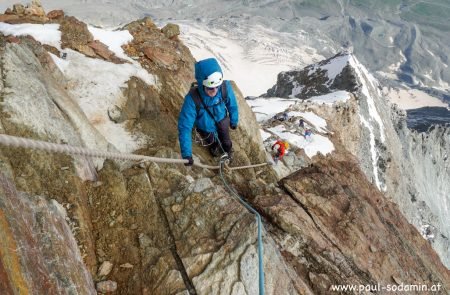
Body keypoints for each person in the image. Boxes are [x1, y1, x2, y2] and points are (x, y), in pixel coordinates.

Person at [178, 58, 239, 166]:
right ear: (202, 84)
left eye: (217, 87)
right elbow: (185, 127)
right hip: (205, 127)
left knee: (226, 141)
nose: (215, 91)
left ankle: (228, 152)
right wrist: (187, 154)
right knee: (211, 142)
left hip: (222, 120)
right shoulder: (192, 99)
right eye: (210, 88)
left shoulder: (224, 87)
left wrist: (234, 120)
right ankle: (215, 149)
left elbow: (232, 104)